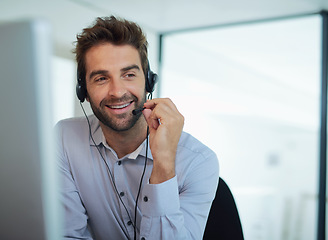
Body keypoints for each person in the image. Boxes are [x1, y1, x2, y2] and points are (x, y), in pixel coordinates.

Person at [55, 15, 219, 240]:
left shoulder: (198, 161)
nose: (117, 91)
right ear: (83, 90)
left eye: (129, 74)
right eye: (101, 78)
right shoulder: (64, 139)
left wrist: (163, 165)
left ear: (149, 81)